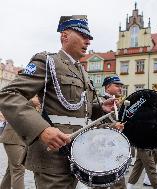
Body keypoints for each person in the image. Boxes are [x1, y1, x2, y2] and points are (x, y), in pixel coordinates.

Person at [0, 15, 120, 189]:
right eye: (83, 35)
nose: (88, 41)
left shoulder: (82, 72)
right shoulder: (48, 61)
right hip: (53, 153)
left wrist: (100, 108)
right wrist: (42, 129)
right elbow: (9, 94)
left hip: (79, 152)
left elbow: (78, 111)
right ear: (65, 35)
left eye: (89, 38)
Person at [93, 75, 126, 189]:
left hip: (116, 147)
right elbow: (92, 125)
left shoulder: (120, 103)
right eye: (117, 85)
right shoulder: (98, 101)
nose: (120, 88)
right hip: (100, 148)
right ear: (107, 87)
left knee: (119, 182)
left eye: (121, 86)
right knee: (100, 183)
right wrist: (113, 125)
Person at [0, 96, 41, 189]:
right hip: (13, 137)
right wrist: (31, 102)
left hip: (23, 140)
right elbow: (14, 110)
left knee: (10, 171)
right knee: (18, 169)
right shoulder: (24, 94)